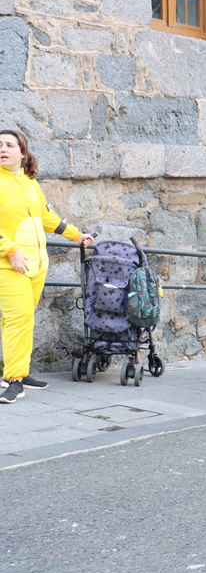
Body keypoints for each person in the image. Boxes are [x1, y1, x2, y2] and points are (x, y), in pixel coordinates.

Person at [0, 129, 93, 404]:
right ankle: (14, 379)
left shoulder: (30, 182)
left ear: (23, 153)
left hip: (37, 264)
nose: (2, 149)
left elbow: (47, 217)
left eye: (9, 145)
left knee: (22, 320)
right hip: (9, 265)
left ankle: (19, 371)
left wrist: (77, 235)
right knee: (18, 319)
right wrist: (10, 251)